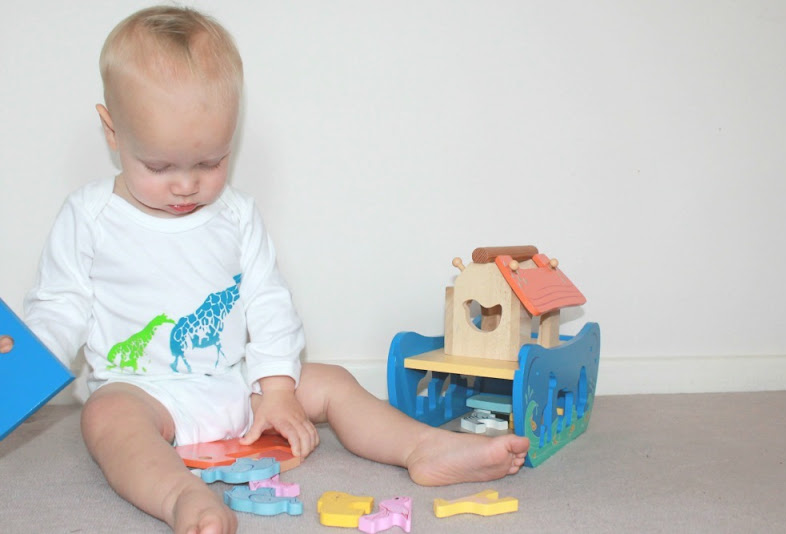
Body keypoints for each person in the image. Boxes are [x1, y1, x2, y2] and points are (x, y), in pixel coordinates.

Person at [1, 6, 529, 534]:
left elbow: (267, 301)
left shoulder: (235, 215)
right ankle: (183, 499)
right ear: (113, 132)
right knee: (103, 419)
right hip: (143, 393)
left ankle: (423, 446)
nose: (187, 185)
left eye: (210, 162)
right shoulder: (89, 217)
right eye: (159, 167)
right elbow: (61, 304)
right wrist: (23, 354)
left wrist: (276, 387)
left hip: (237, 385)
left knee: (333, 383)